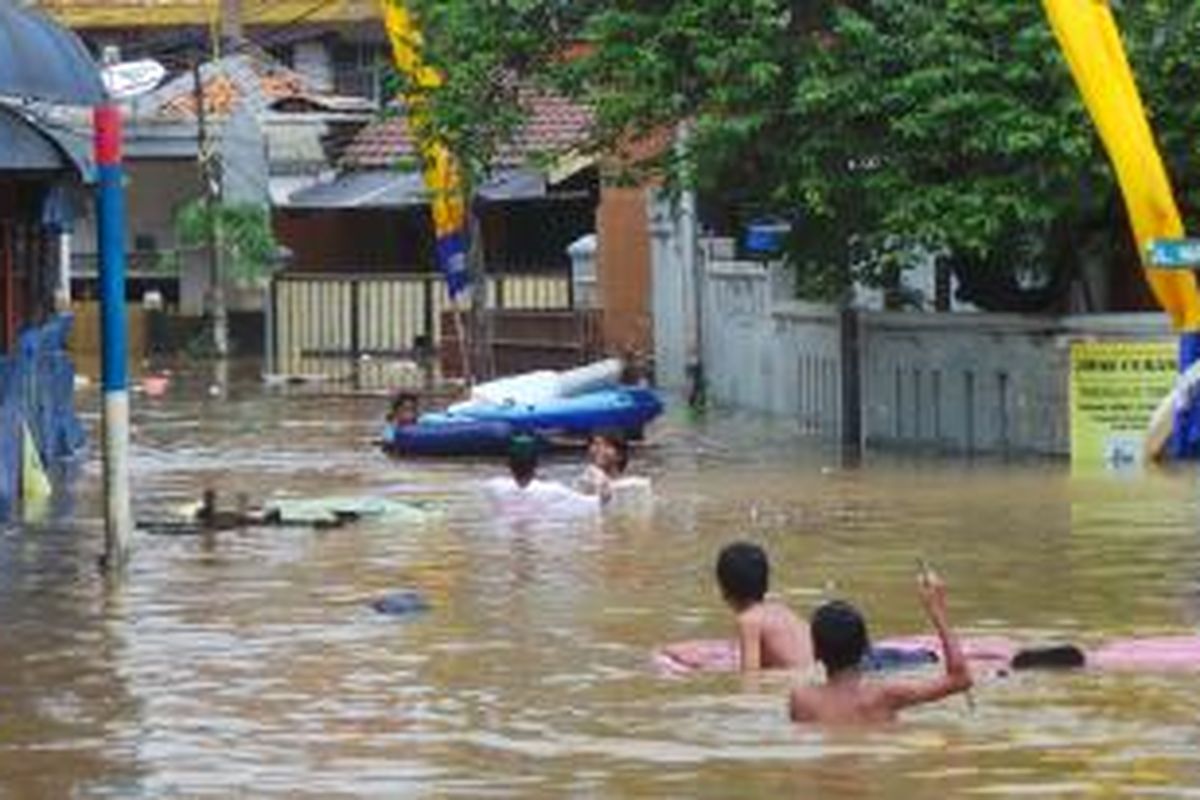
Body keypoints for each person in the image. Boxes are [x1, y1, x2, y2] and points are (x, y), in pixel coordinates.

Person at [789, 571, 972, 725]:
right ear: (867, 648)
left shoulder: (801, 700)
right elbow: (961, 679)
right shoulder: (885, 695)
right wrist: (937, 610)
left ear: (815, 652)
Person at [716, 542, 812, 671]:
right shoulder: (781, 609)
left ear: (723, 589)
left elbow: (751, 674)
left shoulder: (748, 620)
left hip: (794, 680)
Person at [483, 436, 600, 518]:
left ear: (508, 464)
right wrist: (598, 475)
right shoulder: (554, 491)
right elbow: (599, 503)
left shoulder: (494, 487)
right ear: (536, 463)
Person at [576, 429, 630, 502]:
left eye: (607, 445)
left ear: (620, 455)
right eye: (596, 444)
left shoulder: (629, 485)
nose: (601, 449)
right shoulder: (582, 482)